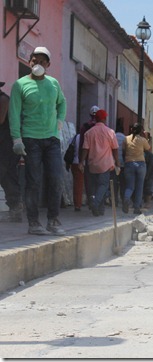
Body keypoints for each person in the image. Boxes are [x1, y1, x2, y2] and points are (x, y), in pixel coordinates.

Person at [9, 46, 67, 235]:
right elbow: (14, 113)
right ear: (30, 62)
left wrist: (59, 121)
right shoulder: (20, 85)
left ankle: (53, 220)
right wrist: (16, 138)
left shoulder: (53, 84)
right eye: (35, 60)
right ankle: (34, 222)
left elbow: (62, 102)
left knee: (56, 179)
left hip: (52, 139)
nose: (37, 64)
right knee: (33, 181)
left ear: (48, 65)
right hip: (30, 139)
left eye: (42, 61)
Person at [79, 109, 120, 217]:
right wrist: (118, 163)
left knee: (96, 187)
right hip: (105, 165)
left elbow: (85, 149)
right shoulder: (110, 132)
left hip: (92, 165)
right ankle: (95, 203)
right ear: (104, 119)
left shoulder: (89, 133)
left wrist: (81, 161)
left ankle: (99, 210)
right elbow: (115, 149)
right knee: (103, 186)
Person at [0, 80, 23, 222]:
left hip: (7, 146)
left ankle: (16, 206)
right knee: (6, 176)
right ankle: (15, 207)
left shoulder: (3, 99)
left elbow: (0, 120)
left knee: (7, 175)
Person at [122, 123, 150, 214]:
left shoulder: (126, 139)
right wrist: (146, 137)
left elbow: (123, 150)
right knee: (139, 187)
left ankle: (126, 198)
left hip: (129, 163)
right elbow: (148, 148)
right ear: (141, 131)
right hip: (141, 164)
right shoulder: (142, 140)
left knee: (130, 186)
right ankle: (137, 208)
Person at [80, 105, 99, 209]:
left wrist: (81, 160)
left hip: (88, 158)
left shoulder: (85, 127)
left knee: (89, 181)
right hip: (101, 158)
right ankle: (97, 201)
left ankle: (91, 199)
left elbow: (82, 144)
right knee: (99, 181)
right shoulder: (104, 128)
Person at [113, 121, 126, 206]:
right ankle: (123, 198)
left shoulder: (113, 136)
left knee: (114, 183)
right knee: (122, 183)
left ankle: (115, 200)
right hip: (123, 164)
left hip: (114, 163)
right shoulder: (125, 138)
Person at [70, 134, 84, 211]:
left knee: (77, 185)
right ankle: (80, 203)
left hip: (74, 162)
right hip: (84, 163)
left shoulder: (75, 137)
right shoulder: (86, 136)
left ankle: (77, 204)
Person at [143, 132, 153, 209]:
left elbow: (150, 165)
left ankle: (148, 203)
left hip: (149, 171)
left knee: (148, 187)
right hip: (144, 169)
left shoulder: (149, 154)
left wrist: (147, 174)